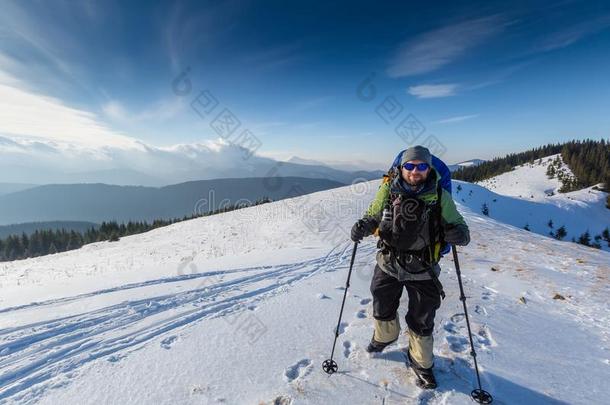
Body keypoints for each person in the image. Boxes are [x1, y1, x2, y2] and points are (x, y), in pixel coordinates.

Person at [350, 145, 470, 389]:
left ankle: (421, 362)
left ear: (429, 168)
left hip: (424, 269)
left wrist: (459, 234)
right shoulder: (388, 189)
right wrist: (363, 225)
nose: (415, 171)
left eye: (422, 166)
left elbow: (461, 228)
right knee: (381, 305)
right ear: (401, 168)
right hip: (388, 263)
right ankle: (385, 337)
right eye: (410, 166)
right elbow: (373, 215)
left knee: (422, 318)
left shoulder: (439, 196)